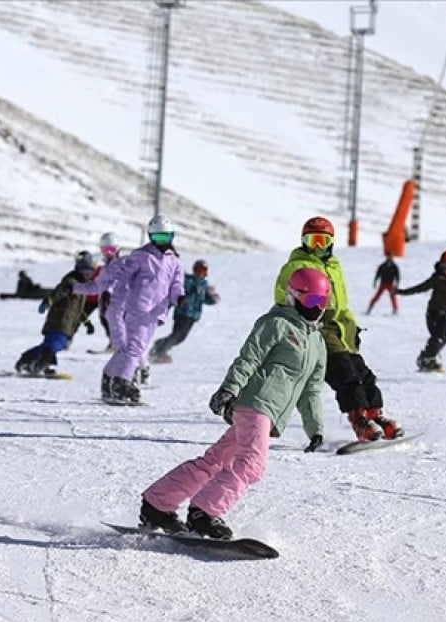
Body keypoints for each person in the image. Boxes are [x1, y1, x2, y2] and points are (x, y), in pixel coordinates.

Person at [138, 268, 330, 539]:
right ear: (294, 297)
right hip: (256, 402)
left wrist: (315, 428)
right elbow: (248, 358)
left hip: (269, 413)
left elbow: (311, 389)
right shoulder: (276, 323)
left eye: (322, 302)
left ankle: (158, 503)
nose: (317, 308)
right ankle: (205, 512)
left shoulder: (318, 342)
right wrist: (229, 389)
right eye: (311, 301)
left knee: (216, 461)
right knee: (252, 462)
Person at [273, 216, 401, 443]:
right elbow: (282, 296)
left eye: (323, 240)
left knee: (364, 374)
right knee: (345, 374)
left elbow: (342, 303)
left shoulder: (334, 265)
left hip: (342, 330)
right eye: (313, 241)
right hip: (318, 328)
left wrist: (352, 328)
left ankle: (375, 415)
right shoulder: (297, 266)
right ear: (304, 241)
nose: (318, 247)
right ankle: (359, 420)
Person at [72, 215, 183, 404]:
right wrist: (110, 292)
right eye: (157, 238)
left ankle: (110, 377)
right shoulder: (141, 256)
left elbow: (176, 284)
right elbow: (123, 278)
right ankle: (122, 381)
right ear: (150, 236)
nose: (162, 242)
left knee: (130, 347)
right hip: (139, 307)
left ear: (172, 237)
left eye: (165, 238)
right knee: (135, 347)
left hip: (157, 311)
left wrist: (179, 297)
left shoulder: (175, 261)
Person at [14, 251, 96, 376]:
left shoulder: (83, 287)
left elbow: (79, 310)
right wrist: (48, 301)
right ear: (77, 269)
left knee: (52, 345)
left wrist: (87, 323)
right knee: (54, 344)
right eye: (83, 271)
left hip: (68, 325)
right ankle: (41, 365)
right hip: (59, 321)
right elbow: (59, 292)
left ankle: (26, 360)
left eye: (89, 272)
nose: (87, 275)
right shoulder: (71, 282)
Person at [151, 259, 219, 363]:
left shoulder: (204, 285)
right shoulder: (188, 280)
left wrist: (213, 297)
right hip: (183, 312)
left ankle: (159, 346)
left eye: (202, 270)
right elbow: (180, 292)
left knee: (181, 338)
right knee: (177, 335)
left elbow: (206, 299)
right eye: (198, 270)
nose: (200, 272)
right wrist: (189, 292)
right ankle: (160, 352)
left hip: (193, 315)